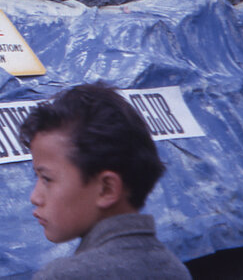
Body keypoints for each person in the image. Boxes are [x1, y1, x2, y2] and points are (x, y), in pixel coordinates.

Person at [19, 83, 191, 280]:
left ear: (107, 189)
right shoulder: (174, 269)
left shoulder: (65, 276)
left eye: (47, 179)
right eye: (37, 178)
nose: (35, 197)